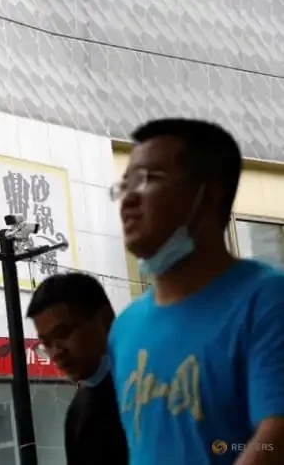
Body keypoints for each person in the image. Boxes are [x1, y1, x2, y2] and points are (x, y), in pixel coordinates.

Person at [108, 118, 284, 464]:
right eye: (125, 184)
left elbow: (275, 441)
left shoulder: (267, 301)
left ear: (207, 194)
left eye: (148, 180)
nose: (127, 200)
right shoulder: (125, 327)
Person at [27, 272, 128, 465]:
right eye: (47, 343)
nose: (56, 352)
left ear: (104, 319)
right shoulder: (77, 410)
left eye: (63, 333)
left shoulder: (145, 386)